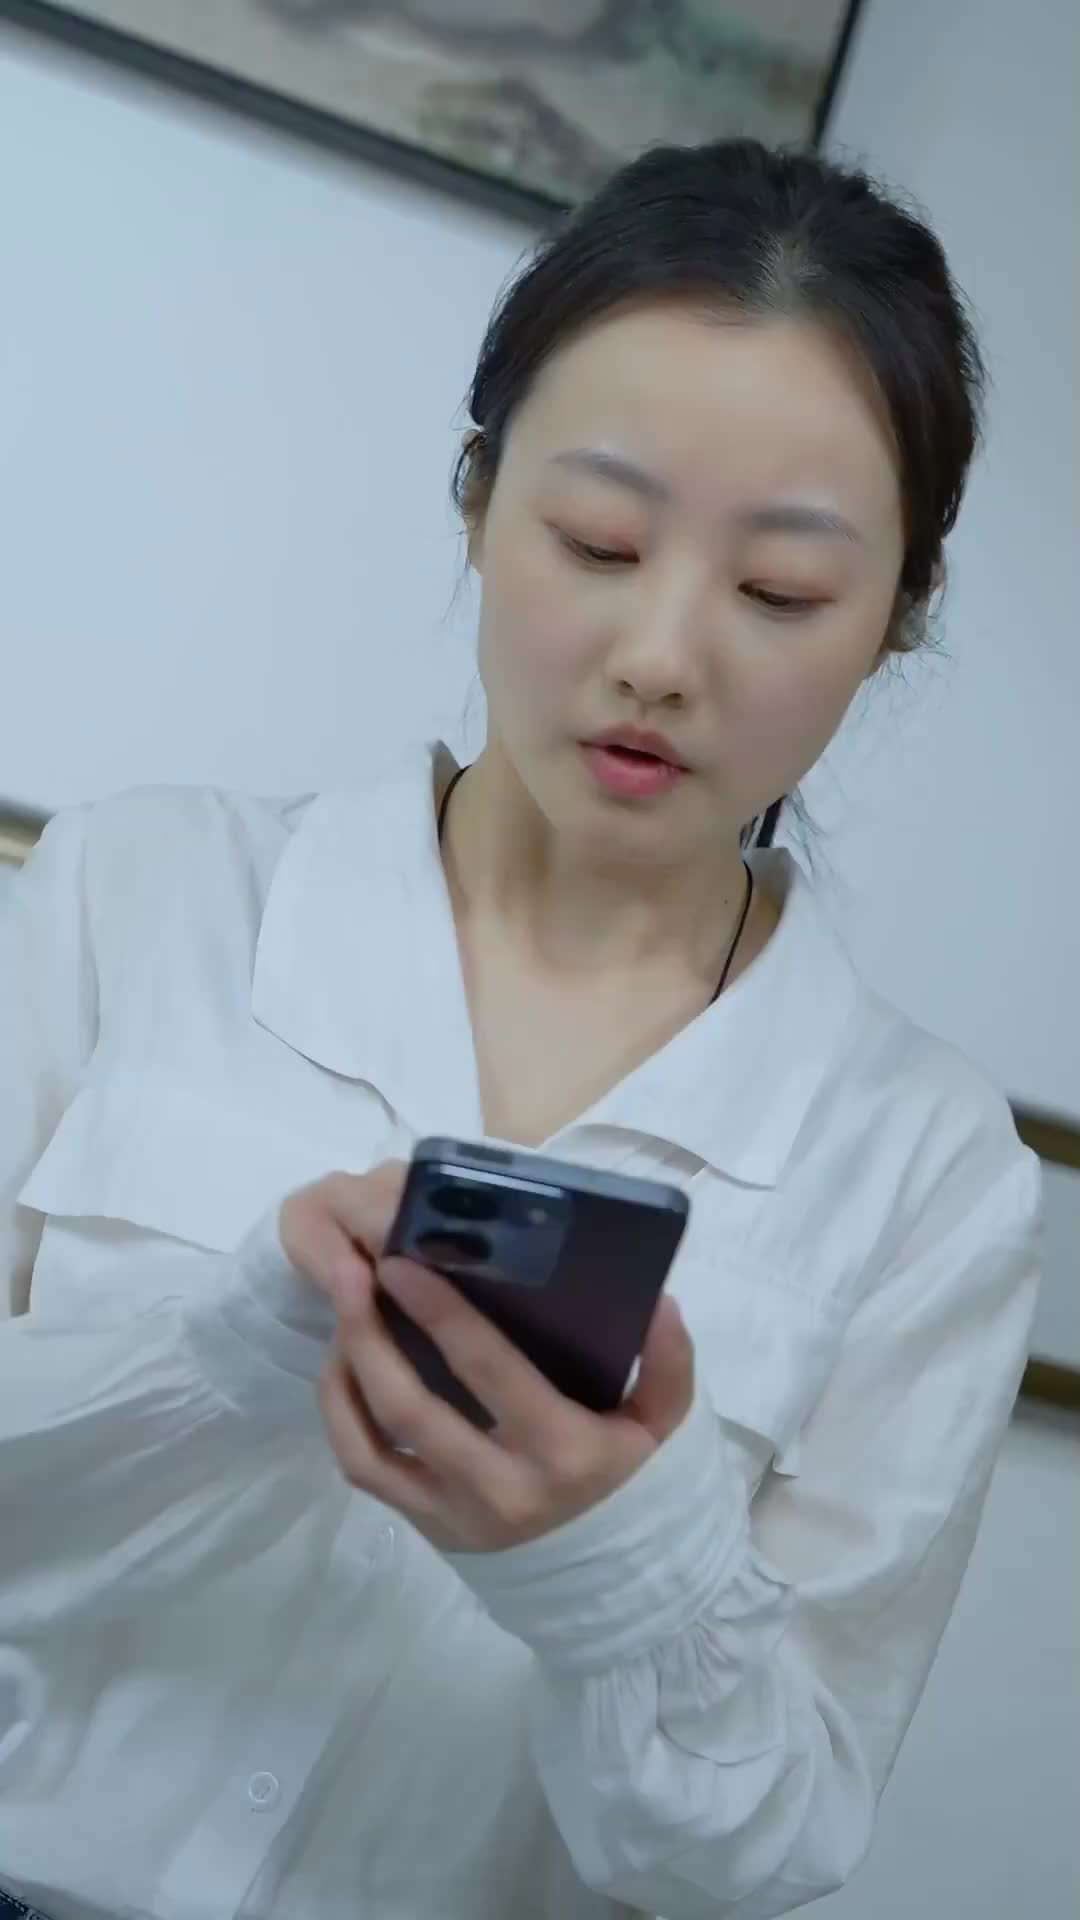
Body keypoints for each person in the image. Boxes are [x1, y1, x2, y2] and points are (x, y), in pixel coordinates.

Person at [0, 138, 1040, 1920]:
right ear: (478, 496)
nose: (662, 655)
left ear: (896, 622)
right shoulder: (134, 895)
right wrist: (230, 1351)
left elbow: (760, 1850)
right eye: (600, 542)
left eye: (781, 594)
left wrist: (618, 1565)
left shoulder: (931, 1170)